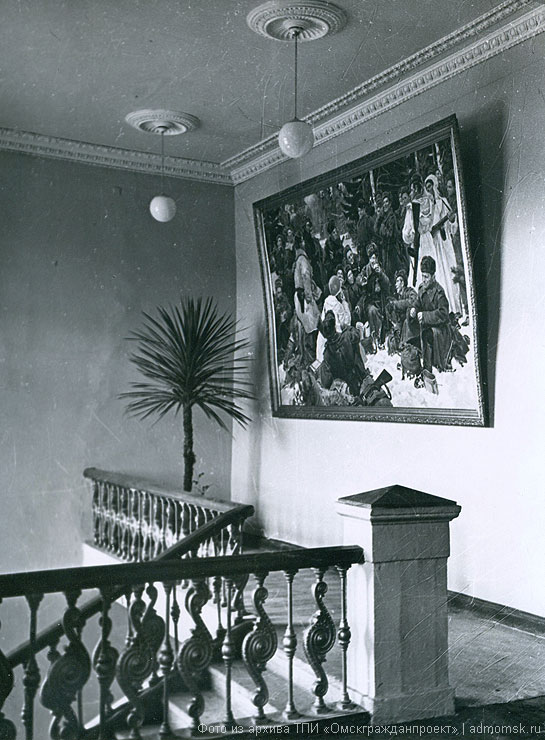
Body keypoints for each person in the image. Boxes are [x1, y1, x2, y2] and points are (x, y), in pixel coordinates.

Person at [408, 255, 453, 373]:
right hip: (427, 326)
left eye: (426, 277)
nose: (423, 279)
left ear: (433, 277)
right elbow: (417, 303)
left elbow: (444, 314)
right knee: (412, 339)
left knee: (426, 334)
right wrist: (413, 309)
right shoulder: (422, 288)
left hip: (440, 330)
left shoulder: (439, 292)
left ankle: (427, 370)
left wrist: (425, 316)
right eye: (422, 276)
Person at [319, 310, 370, 397]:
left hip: (348, 390)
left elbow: (326, 382)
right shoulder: (347, 336)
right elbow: (357, 334)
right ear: (334, 327)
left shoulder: (327, 354)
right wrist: (346, 327)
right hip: (360, 377)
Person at [354, 246, 390, 349]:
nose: (373, 261)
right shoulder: (366, 269)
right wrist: (362, 281)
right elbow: (358, 279)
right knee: (372, 311)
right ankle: (375, 337)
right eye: (371, 258)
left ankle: (381, 337)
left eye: (374, 258)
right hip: (369, 300)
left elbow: (387, 283)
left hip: (381, 299)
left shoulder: (380, 268)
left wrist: (381, 274)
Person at [316, 275, 351, 362]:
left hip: (323, 337)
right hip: (335, 339)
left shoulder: (326, 301)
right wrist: (345, 304)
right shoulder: (338, 306)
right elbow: (346, 323)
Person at [386, 270, 418, 345]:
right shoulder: (399, 297)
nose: (395, 285)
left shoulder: (409, 291)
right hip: (402, 326)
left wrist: (396, 304)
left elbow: (413, 301)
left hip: (411, 326)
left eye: (397, 281)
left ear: (402, 283)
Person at [273, 278, 292, 362]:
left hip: (285, 325)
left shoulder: (284, 298)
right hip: (277, 326)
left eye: (280, 292)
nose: (279, 295)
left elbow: (289, 309)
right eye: (278, 293)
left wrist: (286, 314)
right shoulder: (273, 301)